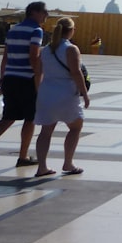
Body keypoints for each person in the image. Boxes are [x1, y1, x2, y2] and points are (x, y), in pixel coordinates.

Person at [0, 1, 49, 172]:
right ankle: (23, 157)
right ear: (34, 12)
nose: (46, 16)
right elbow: (34, 57)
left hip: (10, 78)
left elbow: (5, 57)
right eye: (45, 12)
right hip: (27, 80)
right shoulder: (36, 31)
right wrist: (39, 80)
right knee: (30, 119)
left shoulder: (13, 30)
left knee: (8, 117)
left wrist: (1, 80)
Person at [33, 16, 89, 176]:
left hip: (47, 92)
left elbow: (38, 73)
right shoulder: (71, 49)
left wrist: (39, 92)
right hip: (66, 93)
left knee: (45, 131)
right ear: (71, 31)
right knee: (75, 127)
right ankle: (68, 163)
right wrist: (84, 94)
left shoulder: (46, 50)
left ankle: (42, 167)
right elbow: (76, 72)